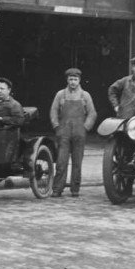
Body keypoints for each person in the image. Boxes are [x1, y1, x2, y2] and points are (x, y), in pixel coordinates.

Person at [49, 67, 97, 198]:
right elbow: (53, 111)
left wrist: (86, 127)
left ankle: (75, 189)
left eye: (75, 79)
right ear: (67, 80)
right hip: (63, 132)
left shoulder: (85, 95)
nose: (73, 82)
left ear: (79, 80)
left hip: (79, 132)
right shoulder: (60, 95)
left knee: (77, 162)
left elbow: (92, 113)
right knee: (61, 162)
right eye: (70, 79)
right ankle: (57, 189)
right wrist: (56, 126)